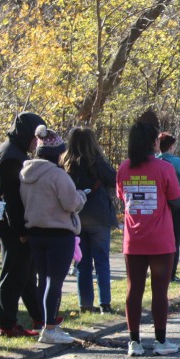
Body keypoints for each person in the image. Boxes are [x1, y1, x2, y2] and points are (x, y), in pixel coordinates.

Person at [116, 121, 180, 357]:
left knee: (134, 289)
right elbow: (176, 200)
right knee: (159, 291)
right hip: (160, 239)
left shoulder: (124, 167)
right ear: (153, 142)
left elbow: (121, 196)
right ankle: (160, 341)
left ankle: (134, 341)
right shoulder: (164, 168)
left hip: (133, 239)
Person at [19, 126, 86, 344]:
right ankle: (49, 328)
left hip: (35, 232)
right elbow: (70, 203)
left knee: (44, 280)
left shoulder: (25, 174)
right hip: (58, 233)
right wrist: (82, 197)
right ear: (56, 153)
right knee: (55, 282)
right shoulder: (58, 175)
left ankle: (45, 324)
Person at [0, 112, 47, 337]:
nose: (37, 142)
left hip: (11, 222)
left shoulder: (9, 150)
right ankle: (7, 324)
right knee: (14, 275)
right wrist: (21, 230)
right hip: (12, 226)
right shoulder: (11, 157)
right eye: (36, 137)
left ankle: (39, 316)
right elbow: (11, 198)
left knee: (25, 273)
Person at [62, 128, 117, 314]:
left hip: (76, 218)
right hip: (99, 217)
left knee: (82, 263)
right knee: (102, 261)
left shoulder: (66, 164)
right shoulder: (97, 163)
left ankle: (85, 304)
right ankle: (105, 303)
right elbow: (114, 179)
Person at [157, 132, 180, 283]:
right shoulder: (177, 162)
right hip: (177, 202)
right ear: (171, 147)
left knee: (161, 238)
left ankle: (159, 271)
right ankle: (171, 273)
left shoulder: (155, 161)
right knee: (175, 239)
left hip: (160, 203)